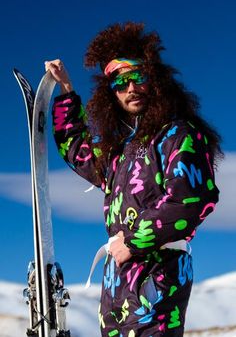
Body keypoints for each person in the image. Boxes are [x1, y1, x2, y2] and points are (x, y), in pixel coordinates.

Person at [45, 22, 222, 337]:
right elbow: (78, 151)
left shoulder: (177, 135)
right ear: (110, 92)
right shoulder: (122, 153)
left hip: (157, 280)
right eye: (120, 82)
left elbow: (192, 199)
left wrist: (132, 241)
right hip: (115, 290)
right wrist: (66, 91)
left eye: (139, 77)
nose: (131, 88)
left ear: (155, 80)